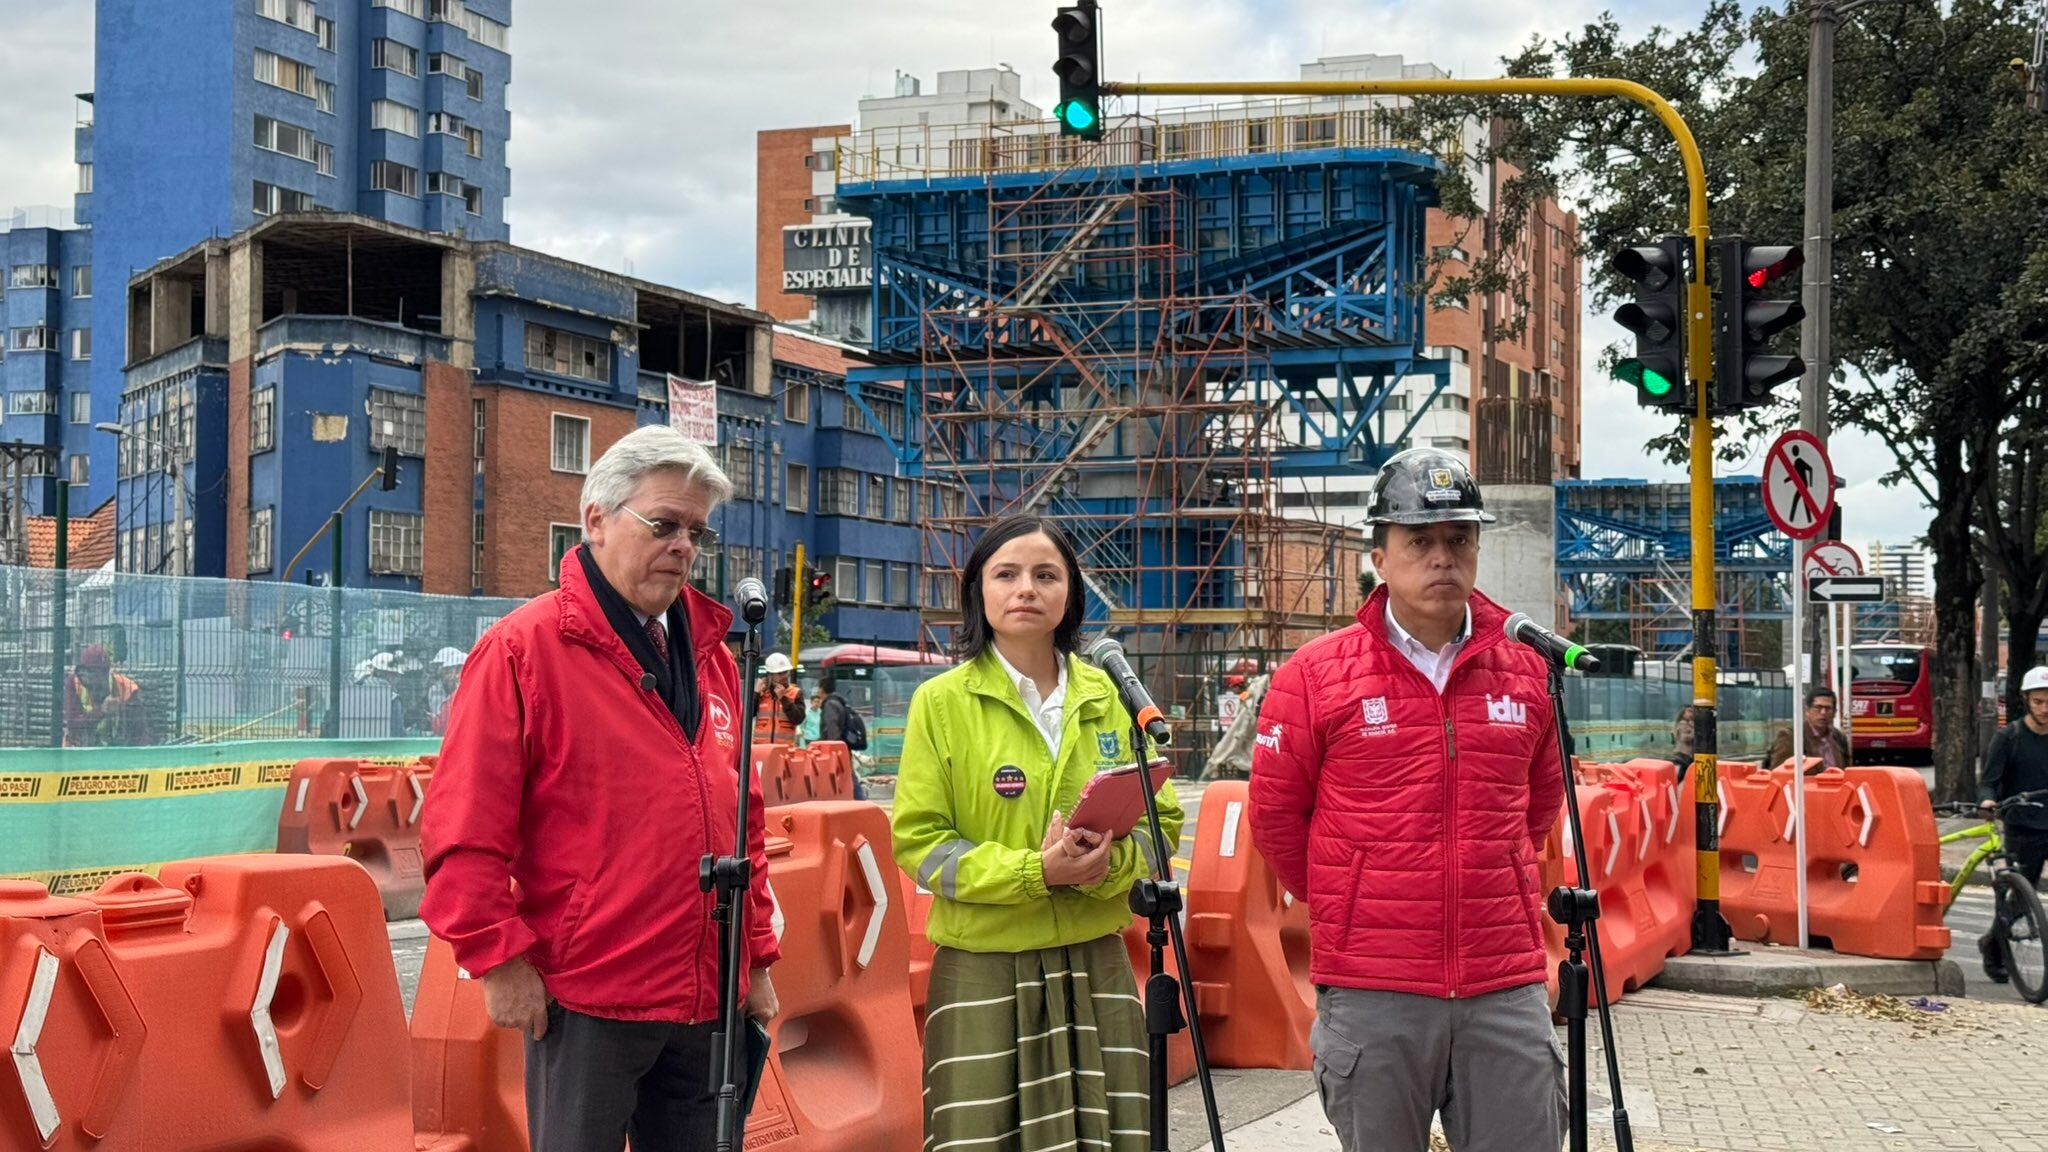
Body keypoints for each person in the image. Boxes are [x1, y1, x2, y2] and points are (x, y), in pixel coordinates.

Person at [419, 425, 779, 1152]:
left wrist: (757, 957)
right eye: (665, 524)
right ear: (596, 519)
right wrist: (497, 959)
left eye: (696, 533)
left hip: (707, 995)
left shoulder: (713, 656)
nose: (683, 546)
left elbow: (743, 819)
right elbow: (463, 827)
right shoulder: (522, 650)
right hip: (589, 996)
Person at [1248, 447, 1566, 1152]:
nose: (1442, 557)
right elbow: (1275, 818)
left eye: (1458, 541)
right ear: (1380, 558)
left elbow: (1539, 804)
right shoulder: (1315, 676)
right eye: (1419, 541)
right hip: (1372, 986)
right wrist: (1350, 894)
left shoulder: (1526, 670)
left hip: (1502, 981)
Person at [891, 514, 1184, 1151]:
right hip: (980, 971)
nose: (1027, 588)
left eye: (1046, 575)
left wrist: (1111, 863)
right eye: (1007, 574)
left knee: (1111, 1137)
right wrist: (1036, 872)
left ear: (1071, 595)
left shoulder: (1112, 698)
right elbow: (920, 845)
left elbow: (1162, 824)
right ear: (979, 592)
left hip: (1096, 963)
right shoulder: (940, 704)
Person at [1977, 666, 2048, 982]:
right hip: (2024, 827)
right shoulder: (2010, 737)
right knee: (2021, 897)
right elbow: (1989, 781)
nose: (2045, 709)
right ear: (2026, 701)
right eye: (2039, 701)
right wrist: (1988, 801)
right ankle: (1993, 946)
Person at [63, 643, 151, 747]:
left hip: (116, 753)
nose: (92, 677)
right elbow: (73, 726)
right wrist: (101, 711)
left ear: (107, 672)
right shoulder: (73, 684)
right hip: (78, 751)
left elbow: (140, 732)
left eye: (98, 672)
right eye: (88, 672)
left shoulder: (127, 688)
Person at [1766, 686, 1851, 772]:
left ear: (1834, 713)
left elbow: (1847, 770)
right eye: (1818, 707)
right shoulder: (1792, 737)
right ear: (1807, 710)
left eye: (1828, 708)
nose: (1823, 712)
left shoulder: (1839, 738)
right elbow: (1779, 774)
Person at [753, 651, 806, 744]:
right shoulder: (761, 693)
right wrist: (756, 694)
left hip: (784, 752)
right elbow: (746, 715)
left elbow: (798, 719)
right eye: (780, 673)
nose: (784, 676)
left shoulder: (796, 693)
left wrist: (783, 699)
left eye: (785, 672)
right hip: (761, 750)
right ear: (770, 675)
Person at [429, 646, 468, 736]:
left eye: (447, 670)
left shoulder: (453, 699)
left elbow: (443, 727)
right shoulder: (436, 690)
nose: (439, 670)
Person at [1664, 704, 1698, 781]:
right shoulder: (1683, 724)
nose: (1691, 714)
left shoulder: (1685, 724)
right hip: (1683, 755)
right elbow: (1684, 737)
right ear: (1683, 713)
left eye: (1693, 712)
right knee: (1678, 778)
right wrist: (1695, 733)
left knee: (1683, 778)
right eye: (1689, 711)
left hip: (1685, 755)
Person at [816, 673, 851, 744]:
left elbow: (832, 730)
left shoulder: (830, 705)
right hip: (840, 747)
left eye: (818, 688)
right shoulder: (838, 702)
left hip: (833, 750)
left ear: (821, 689)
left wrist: (833, 750)